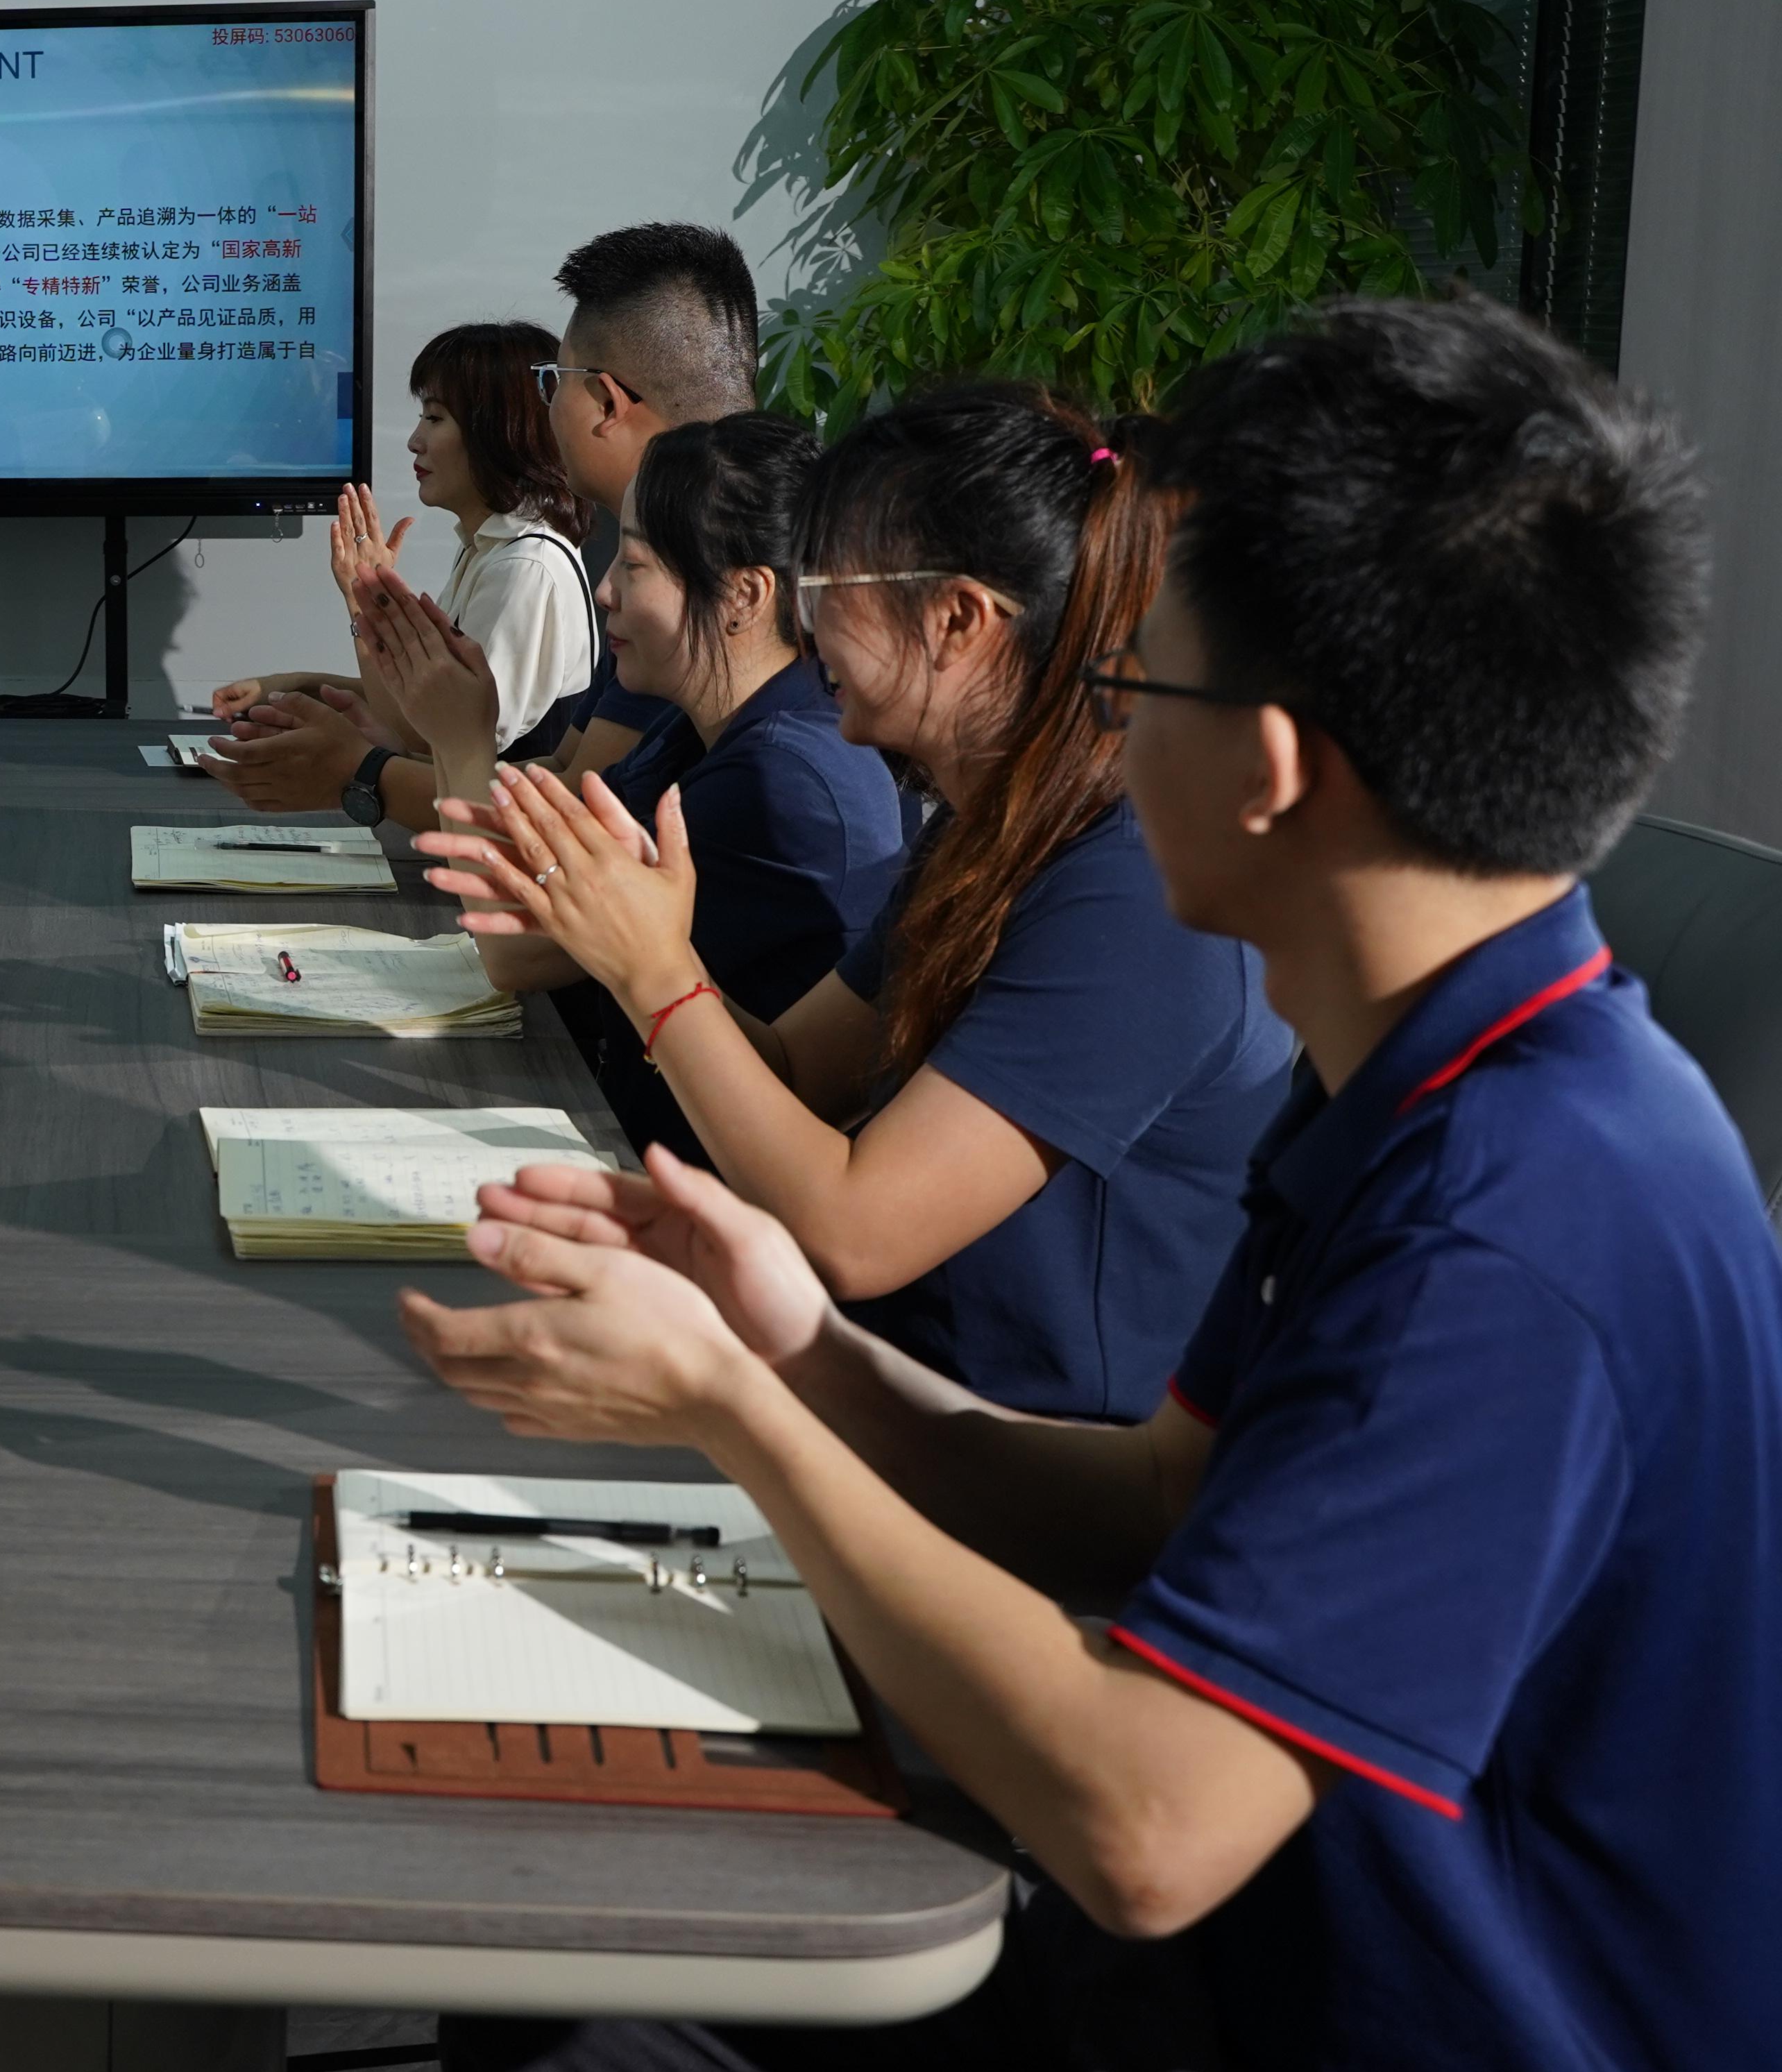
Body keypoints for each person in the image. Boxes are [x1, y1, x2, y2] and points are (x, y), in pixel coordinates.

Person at [373, 298, 1776, 2072]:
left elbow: (1148, 1825)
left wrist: (736, 1415)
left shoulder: (1519, 1218)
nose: (1097, 729)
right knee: (553, 2002)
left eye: (1135, 681)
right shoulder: (1427, 1080)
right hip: (1248, 1976)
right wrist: (796, 1345)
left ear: (1269, 766)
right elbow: (1151, 1499)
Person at [421, 381, 1290, 1422]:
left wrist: (656, 973)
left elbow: (855, 1231)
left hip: (1029, 1463)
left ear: (958, 618)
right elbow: (794, 1072)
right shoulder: (985, 833)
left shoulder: (1130, 890)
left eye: (830, 580)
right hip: (892, 1396)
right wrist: (629, 943)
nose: (805, 615)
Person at [365, 416, 901, 1164]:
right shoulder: (697, 725)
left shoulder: (782, 777)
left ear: (744, 594)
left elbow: (513, 949)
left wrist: (461, 739)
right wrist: (456, 724)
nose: (606, 588)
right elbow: (529, 870)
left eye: (637, 563)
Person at [213, 225, 761, 826]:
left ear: (606, 403)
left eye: (553, 381)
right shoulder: (686, 552)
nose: (605, 594)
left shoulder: (640, 578)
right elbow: (561, 770)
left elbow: (568, 807)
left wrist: (361, 771)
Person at [202, 325, 592, 822]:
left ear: (500, 431)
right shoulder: (490, 551)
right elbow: (425, 703)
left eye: (435, 418)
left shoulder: (525, 568)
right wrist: (297, 685)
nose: (414, 441)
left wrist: (365, 603)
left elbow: (433, 737)